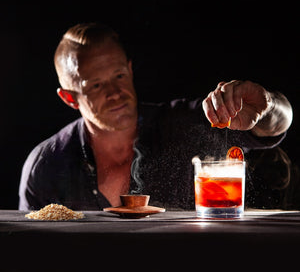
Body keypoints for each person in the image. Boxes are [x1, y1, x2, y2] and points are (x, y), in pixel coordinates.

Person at [18, 22, 293, 211]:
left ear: (130, 69)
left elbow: (273, 128)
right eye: (96, 85)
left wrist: (268, 107)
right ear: (69, 97)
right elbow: (28, 251)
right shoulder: (47, 165)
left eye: (119, 75)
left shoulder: (182, 125)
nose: (115, 92)